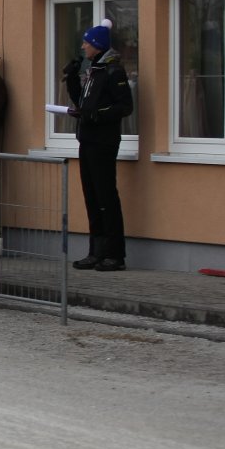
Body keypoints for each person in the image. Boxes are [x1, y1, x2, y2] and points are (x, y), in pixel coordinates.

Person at [66, 19, 134, 271]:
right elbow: (83, 103)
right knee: (92, 197)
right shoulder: (94, 70)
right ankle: (96, 251)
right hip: (87, 140)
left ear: (97, 45)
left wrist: (96, 115)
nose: (83, 46)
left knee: (106, 197)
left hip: (103, 142)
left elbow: (124, 106)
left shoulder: (113, 71)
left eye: (87, 42)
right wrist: (72, 79)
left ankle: (115, 254)